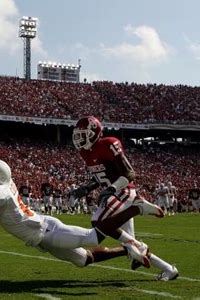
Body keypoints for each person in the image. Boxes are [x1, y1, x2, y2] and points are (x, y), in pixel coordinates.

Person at [0, 159, 164, 272]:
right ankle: (129, 250)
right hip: (39, 236)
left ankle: (137, 208)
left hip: (46, 230)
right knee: (84, 260)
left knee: (93, 236)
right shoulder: (1, 184)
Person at [70, 116, 178, 281]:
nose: (79, 138)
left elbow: (129, 173)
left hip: (124, 191)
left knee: (97, 221)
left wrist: (112, 189)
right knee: (132, 244)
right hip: (115, 192)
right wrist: (86, 188)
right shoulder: (85, 152)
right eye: (78, 135)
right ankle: (169, 269)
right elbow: (100, 177)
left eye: (83, 134)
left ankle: (138, 207)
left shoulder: (107, 144)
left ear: (94, 132)